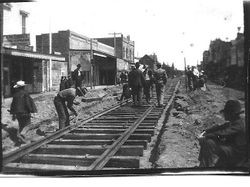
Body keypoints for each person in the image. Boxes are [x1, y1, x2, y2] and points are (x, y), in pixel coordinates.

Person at [198, 100, 247, 167]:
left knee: (209, 143)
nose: (224, 114)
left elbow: (222, 133)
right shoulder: (233, 122)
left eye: (226, 112)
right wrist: (205, 132)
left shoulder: (238, 125)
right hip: (231, 149)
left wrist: (205, 136)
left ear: (231, 114)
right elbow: (218, 128)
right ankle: (204, 165)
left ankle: (204, 167)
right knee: (209, 142)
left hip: (237, 153)